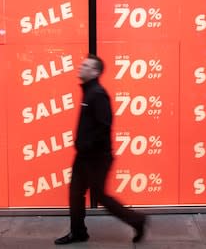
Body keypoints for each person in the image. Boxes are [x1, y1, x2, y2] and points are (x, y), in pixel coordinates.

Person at [55, 54, 147, 245]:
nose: (80, 67)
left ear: (95, 72)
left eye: (86, 65)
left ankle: (138, 220)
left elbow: (105, 125)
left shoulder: (97, 94)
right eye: (82, 64)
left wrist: (87, 145)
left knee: (100, 196)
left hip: (97, 158)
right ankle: (78, 232)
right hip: (84, 156)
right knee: (75, 192)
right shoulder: (89, 91)